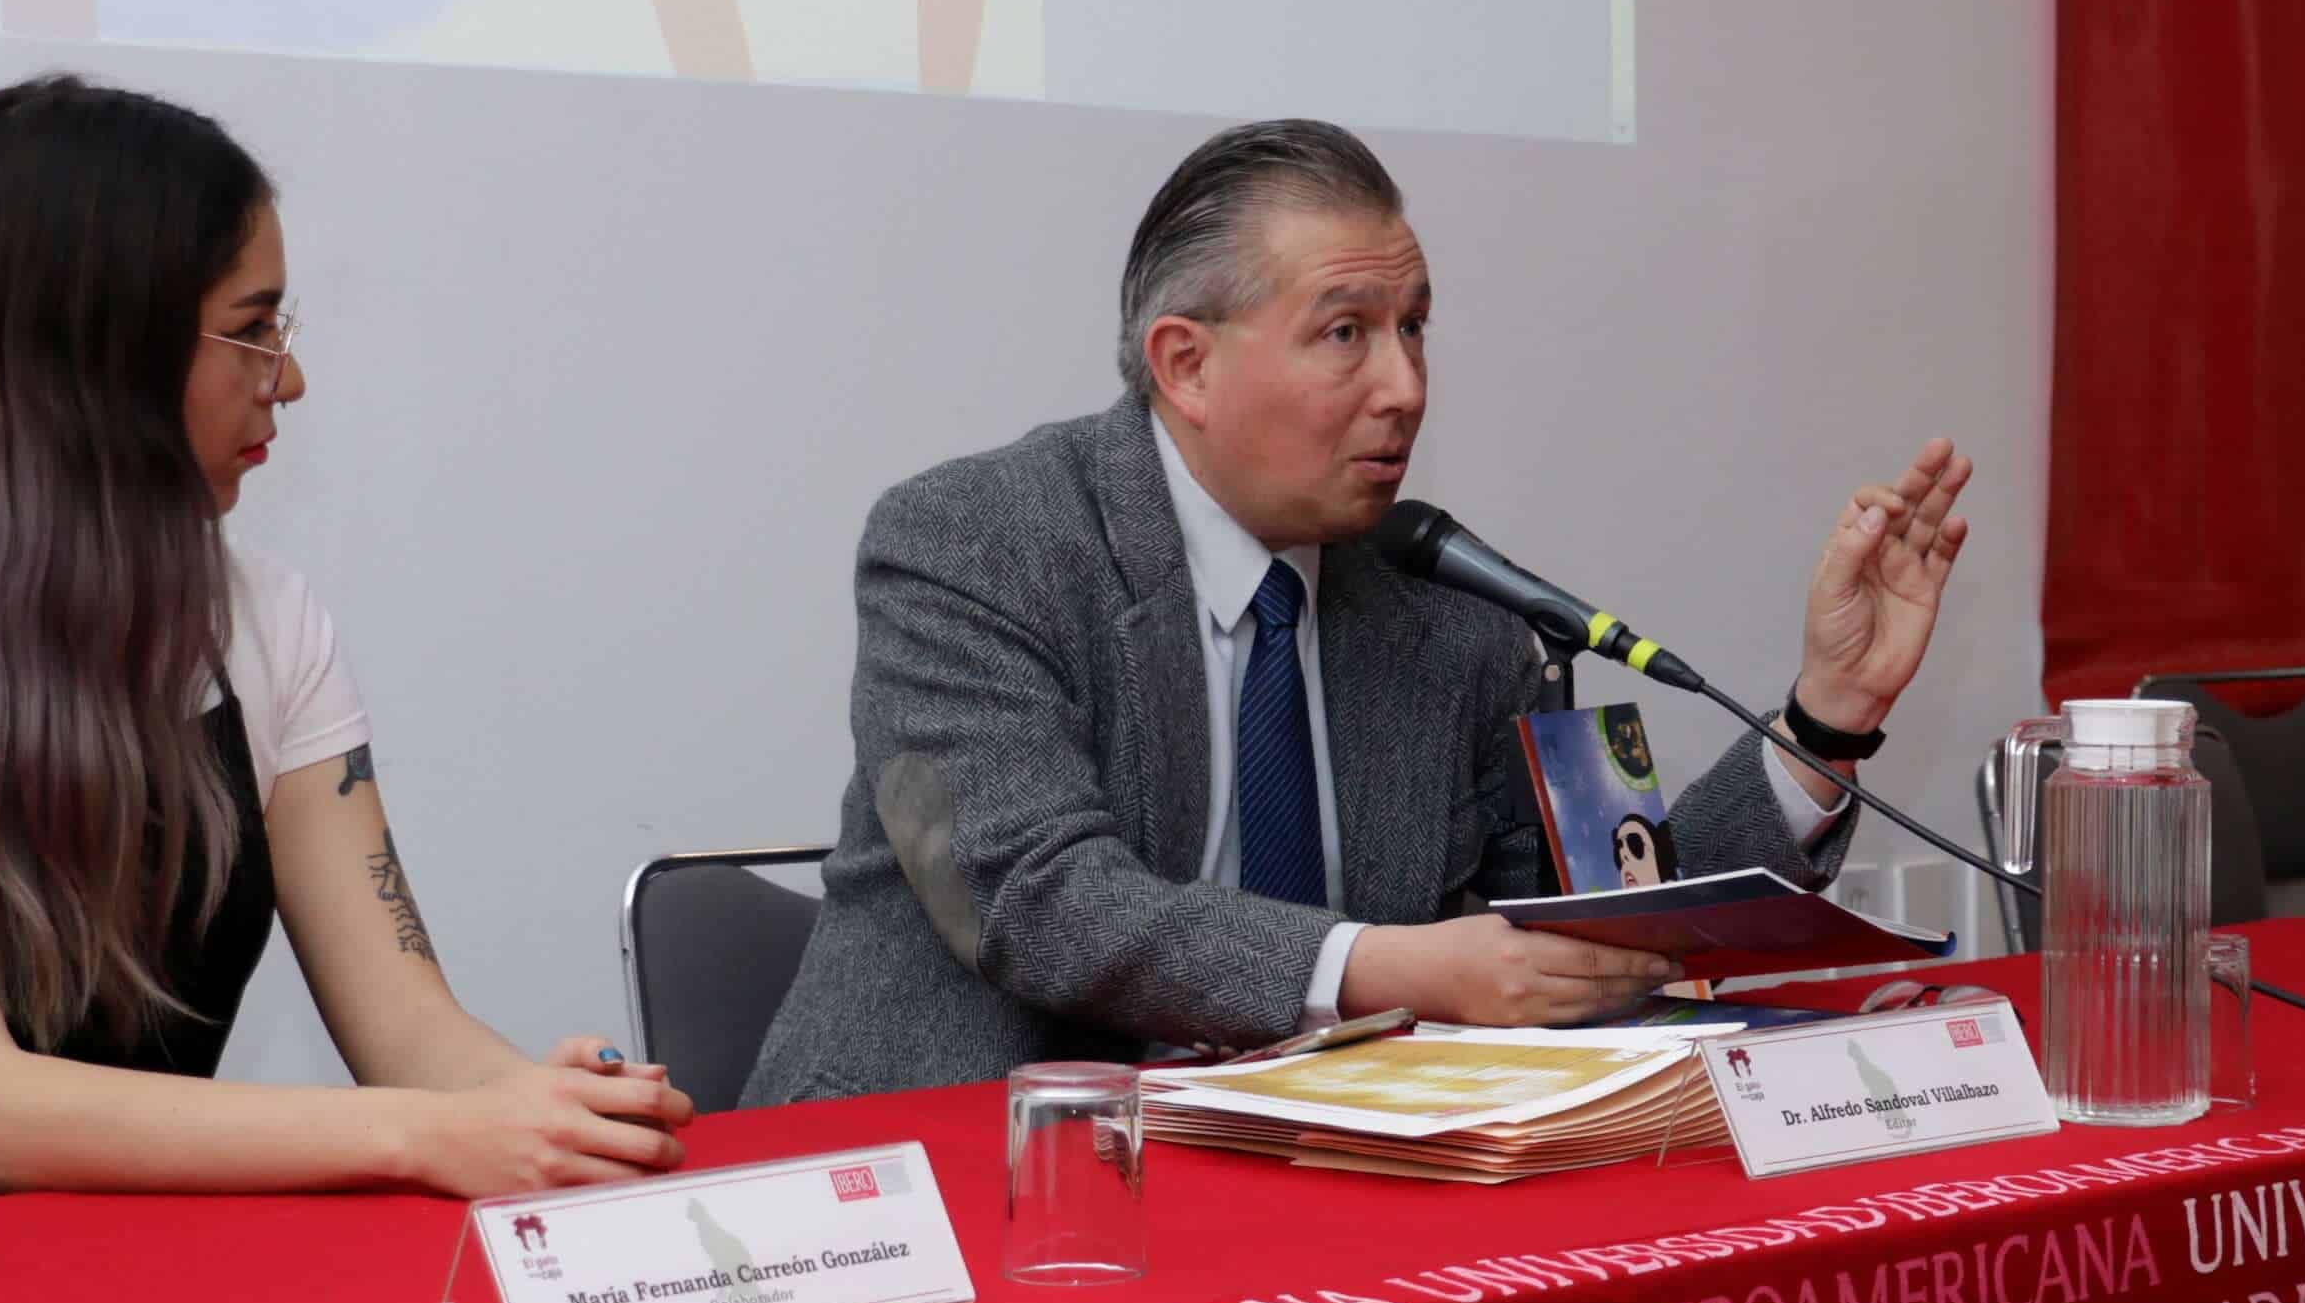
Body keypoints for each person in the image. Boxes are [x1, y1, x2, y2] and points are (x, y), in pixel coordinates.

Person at [749, 119, 1973, 1102]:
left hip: (1321, 1184)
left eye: (1414, 328)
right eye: (1346, 332)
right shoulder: (973, 544)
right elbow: (1030, 903)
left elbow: (1601, 929)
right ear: (1184, 364)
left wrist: (1828, 714)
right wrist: (1391, 967)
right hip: (960, 1187)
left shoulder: (1445, 618)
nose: (1405, 386)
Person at [0, 78, 691, 1228]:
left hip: (140, 1277)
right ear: (88, 350)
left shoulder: (266, 620)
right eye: (251, 330)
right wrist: (435, 1132)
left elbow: (409, 1030)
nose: (289, 378)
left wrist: (550, 1109)